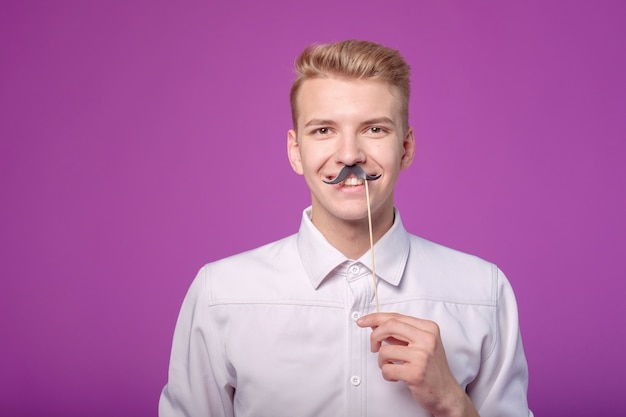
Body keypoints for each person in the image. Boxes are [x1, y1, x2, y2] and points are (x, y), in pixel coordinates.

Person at [159, 39, 532, 417]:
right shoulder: (220, 293)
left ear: (405, 148)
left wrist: (451, 401)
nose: (350, 155)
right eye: (323, 131)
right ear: (295, 151)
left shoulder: (483, 292)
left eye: (374, 129)